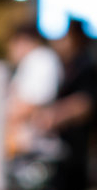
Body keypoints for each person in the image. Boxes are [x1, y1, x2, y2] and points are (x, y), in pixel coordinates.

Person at [36, 20, 97, 190]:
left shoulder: (85, 66)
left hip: (76, 148)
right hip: (66, 146)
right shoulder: (68, 64)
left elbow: (84, 104)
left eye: (64, 37)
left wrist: (52, 117)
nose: (58, 42)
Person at [5, 23, 62, 156]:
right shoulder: (32, 61)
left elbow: (29, 105)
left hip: (34, 142)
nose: (10, 51)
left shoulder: (40, 60)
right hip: (25, 140)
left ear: (22, 41)